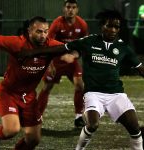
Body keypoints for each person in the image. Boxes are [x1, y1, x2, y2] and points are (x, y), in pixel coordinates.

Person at [20, 9, 144, 149]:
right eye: (109, 26)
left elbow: (140, 68)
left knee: (135, 130)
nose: (113, 30)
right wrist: (33, 52)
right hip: (93, 94)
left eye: (116, 27)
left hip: (116, 94)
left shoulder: (123, 48)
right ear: (102, 26)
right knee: (92, 125)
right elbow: (61, 48)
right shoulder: (89, 41)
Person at [0, 16, 77, 150]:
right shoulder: (17, 43)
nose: (43, 35)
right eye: (39, 31)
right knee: (11, 130)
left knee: (33, 140)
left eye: (46, 31)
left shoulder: (50, 45)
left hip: (29, 97)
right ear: (29, 31)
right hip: (8, 93)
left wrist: (71, 55)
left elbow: (73, 47)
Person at [38, 0, 89, 128]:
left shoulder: (82, 25)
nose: (70, 10)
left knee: (80, 85)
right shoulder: (57, 23)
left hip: (71, 61)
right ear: (64, 9)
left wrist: (72, 55)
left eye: (73, 7)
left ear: (77, 10)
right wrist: (49, 64)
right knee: (47, 87)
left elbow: (83, 47)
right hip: (56, 61)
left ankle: (78, 117)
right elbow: (48, 44)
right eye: (68, 7)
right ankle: (37, 116)